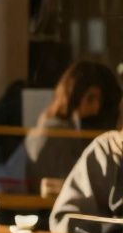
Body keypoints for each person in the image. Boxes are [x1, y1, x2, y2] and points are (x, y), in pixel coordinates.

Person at [26, 61, 121, 190]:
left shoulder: (60, 126)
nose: (96, 107)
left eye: (99, 100)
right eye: (90, 98)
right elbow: (71, 178)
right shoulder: (58, 131)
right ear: (75, 94)